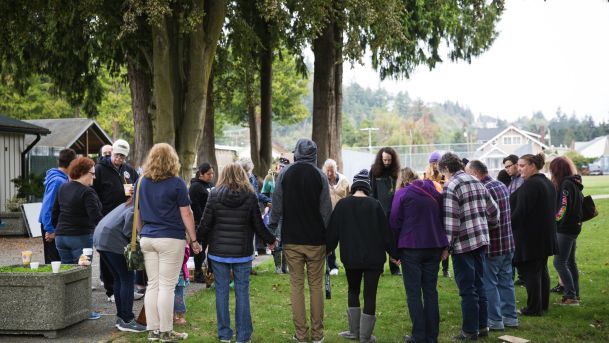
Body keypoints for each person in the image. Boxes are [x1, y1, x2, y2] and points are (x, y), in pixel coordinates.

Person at [200, 163, 277, 343]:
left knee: (221, 292)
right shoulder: (249, 196)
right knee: (242, 292)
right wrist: (271, 240)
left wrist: (196, 240)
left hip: (218, 252)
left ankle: (225, 334)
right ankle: (243, 336)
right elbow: (258, 224)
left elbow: (205, 223)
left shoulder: (214, 195)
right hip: (242, 252)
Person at [269, 138, 332, 343]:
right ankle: (317, 334)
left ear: (296, 153)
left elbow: (276, 205)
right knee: (315, 286)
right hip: (316, 240)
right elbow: (326, 212)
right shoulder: (320, 176)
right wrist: (330, 239)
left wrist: (271, 231)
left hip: (292, 239)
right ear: (314, 154)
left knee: (296, 285)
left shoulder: (285, 174)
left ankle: (301, 334)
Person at [137, 143, 201, 342]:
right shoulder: (177, 183)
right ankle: (166, 331)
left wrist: (142, 234)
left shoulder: (142, 182)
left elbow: (136, 213)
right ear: (172, 160)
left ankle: (153, 331)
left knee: (153, 285)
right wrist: (194, 239)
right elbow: (186, 213)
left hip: (147, 237)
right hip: (170, 238)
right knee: (167, 286)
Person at [327, 169, 398, 343]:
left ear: (354, 186)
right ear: (367, 187)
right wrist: (395, 255)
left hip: (351, 257)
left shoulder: (343, 205)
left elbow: (332, 232)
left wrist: (326, 249)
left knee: (353, 290)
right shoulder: (375, 205)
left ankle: (354, 332)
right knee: (370, 294)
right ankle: (365, 336)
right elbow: (386, 234)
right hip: (374, 259)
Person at [439, 152, 499, 341]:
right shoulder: (476, 181)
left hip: (463, 245)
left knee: (467, 289)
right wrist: (486, 225)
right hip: (480, 240)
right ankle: (483, 327)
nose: (443, 176)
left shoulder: (451, 186)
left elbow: (451, 222)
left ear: (447, 169)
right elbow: (494, 212)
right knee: (479, 284)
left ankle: (470, 330)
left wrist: (446, 247)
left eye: (443, 173)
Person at [389, 167, 448, 343]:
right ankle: (432, 336)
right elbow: (443, 218)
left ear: (402, 180)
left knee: (414, 293)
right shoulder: (435, 191)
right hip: (434, 246)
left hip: (411, 247)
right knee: (430, 291)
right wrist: (445, 246)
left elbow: (394, 222)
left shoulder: (403, 193)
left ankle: (419, 335)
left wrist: (394, 252)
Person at [465, 160, 518, 331]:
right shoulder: (500, 185)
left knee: (489, 284)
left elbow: (489, 218)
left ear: (474, 173)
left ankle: (495, 320)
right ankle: (510, 317)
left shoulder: (483, 189)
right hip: (508, 243)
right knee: (506, 282)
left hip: (493, 245)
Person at [510, 153, 558, 316]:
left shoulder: (531, 185)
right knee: (540, 271)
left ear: (532, 166)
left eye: (522, 166)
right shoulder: (546, 183)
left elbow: (520, 213)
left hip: (531, 238)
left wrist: (507, 226)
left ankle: (533, 308)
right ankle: (541, 305)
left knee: (531, 273)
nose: (519, 169)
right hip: (544, 236)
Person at [93, 139, 139, 302]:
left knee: (124, 253)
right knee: (108, 255)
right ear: (111, 153)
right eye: (117, 155)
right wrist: (98, 215)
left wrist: (134, 190)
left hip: (125, 216)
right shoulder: (99, 169)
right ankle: (110, 289)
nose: (119, 159)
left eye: (123, 156)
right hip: (106, 216)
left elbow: (138, 185)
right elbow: (93, 193)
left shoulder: (129, 170)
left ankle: (127, 288)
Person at [93, 200, 146, 333]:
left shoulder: (129, 203)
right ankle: (127, 320)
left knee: (119, 278)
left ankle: (121, 318)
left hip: (101, 239)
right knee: (127, 279)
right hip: (112, 241)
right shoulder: (137, 207)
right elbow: (129, 230)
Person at [52, 156, 103, 264]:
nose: (94, 177)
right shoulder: (87, 192)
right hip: (80, 236)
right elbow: (95, 217)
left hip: (61, 237)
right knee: (82, 272)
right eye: (92, 173)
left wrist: (58, 229)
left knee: (67, 272)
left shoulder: (63, 188)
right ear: (82, 172)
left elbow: (55, 213)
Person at [550, 156, 584, 306]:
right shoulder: (574, 183)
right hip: (574, 227)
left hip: (565, 229)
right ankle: (575, 294)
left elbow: (563, 208)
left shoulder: (565, 185)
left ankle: (570, 296)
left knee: (559, 262)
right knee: (570, 262)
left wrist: (554, 220)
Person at [39, 148, 76, 264]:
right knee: (54, 263)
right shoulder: (57, 181)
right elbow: (48, 207)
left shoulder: (61, 179)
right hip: (51, 226)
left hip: (55, 225)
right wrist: (50, 230)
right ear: (70, 164)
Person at [370, 147, 401, 276]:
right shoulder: (374, 171)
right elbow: (372, 191)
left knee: (393, 240)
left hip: (393, 211)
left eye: (389, 160)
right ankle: (379, 267)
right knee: (378, 240)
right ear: (380, 159)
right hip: (379, 210)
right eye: (384, 160)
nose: (387, 162)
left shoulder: (397, 172)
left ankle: (395, 268)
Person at [323, 158, 351, 276]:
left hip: (343, 215)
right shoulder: (323, 180)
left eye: (332, 171)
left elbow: (350, 196)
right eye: (327, 171)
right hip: (328, 215)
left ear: (336, 169)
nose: (330, 174)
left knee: (345, 240)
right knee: (330, 240)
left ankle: (349, 264)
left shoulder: (344, 181)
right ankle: (332, 265)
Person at [424, 150, 449, 278]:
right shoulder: (425, 175)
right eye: (433, 163)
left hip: (443, 206)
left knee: (444, 237)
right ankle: (432, 265)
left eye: (437, 163)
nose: (434, 165)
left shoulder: (445, 176)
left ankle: (445, 268)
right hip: (431, 208)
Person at [189, 162, 215, 284]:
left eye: (212, 173)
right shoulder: (195, 187)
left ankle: (211, 271)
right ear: (201, 174)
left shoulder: (210, 184)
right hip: (201, 223)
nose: (211, 176)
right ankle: (198, 272)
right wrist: (202, 222)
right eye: (209, 174)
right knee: (200, 249)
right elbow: (195, 206)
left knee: (213, 248)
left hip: (212, 222)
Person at [173, 245, 191, 326]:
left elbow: (184, 258)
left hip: (179, 277)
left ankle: (181, 317)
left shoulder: (183, 245)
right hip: (170, 275)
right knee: (169, 296)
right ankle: (172, 316)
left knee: (178, 297)